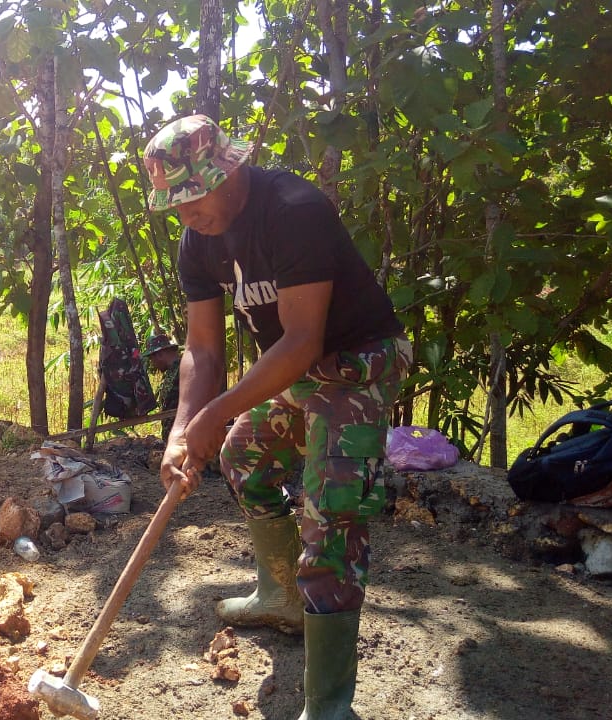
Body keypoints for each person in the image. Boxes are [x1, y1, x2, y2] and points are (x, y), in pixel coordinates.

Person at [143, 115, 410, 720]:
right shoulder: (197, 240)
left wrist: (217, 411)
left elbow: (301, 341)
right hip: (299, 368)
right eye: (173, 203)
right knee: (244, 458)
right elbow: (203, 349)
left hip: (357, 361)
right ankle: (282, 596)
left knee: (334, 512)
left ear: (229, 171)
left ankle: (330, 707)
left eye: (191, 196)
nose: (183, 213)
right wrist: (184, 431)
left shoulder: (294, 209)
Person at [143, 333, 181, 442]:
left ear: (159, 355)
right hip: (173, 437)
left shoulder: (183, 369)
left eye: (152, 359)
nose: (153, 364)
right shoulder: (170, 373)